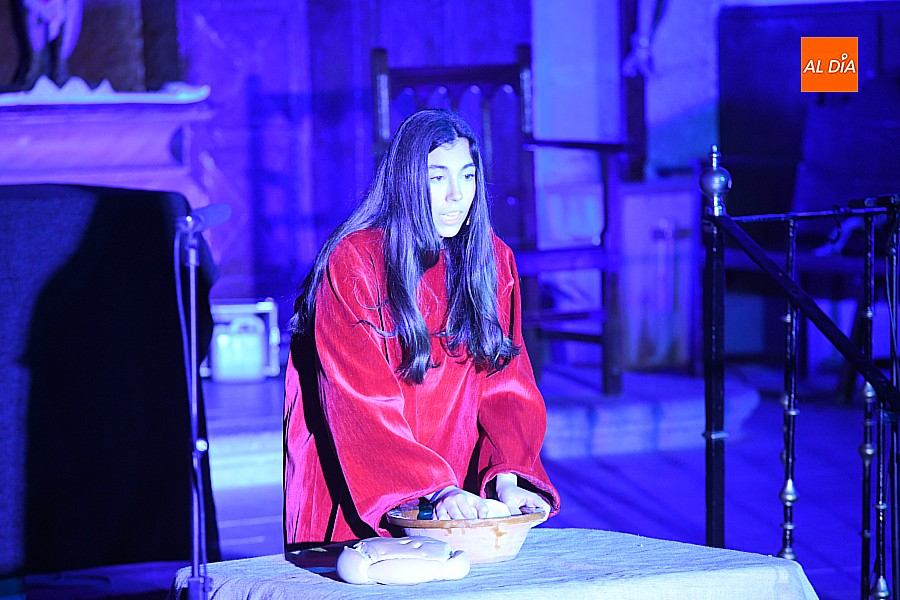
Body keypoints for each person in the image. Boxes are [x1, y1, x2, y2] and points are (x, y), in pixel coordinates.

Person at [284, 109, 559, 546]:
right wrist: (431, 488)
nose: (456, 195)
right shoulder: (355, 262)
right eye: (437, 177)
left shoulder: (491, 259)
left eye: (467, 176)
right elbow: (360, 401)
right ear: (408, 181)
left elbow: (507, 385)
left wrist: (507, 476)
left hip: (456, 489)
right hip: (367, 481)